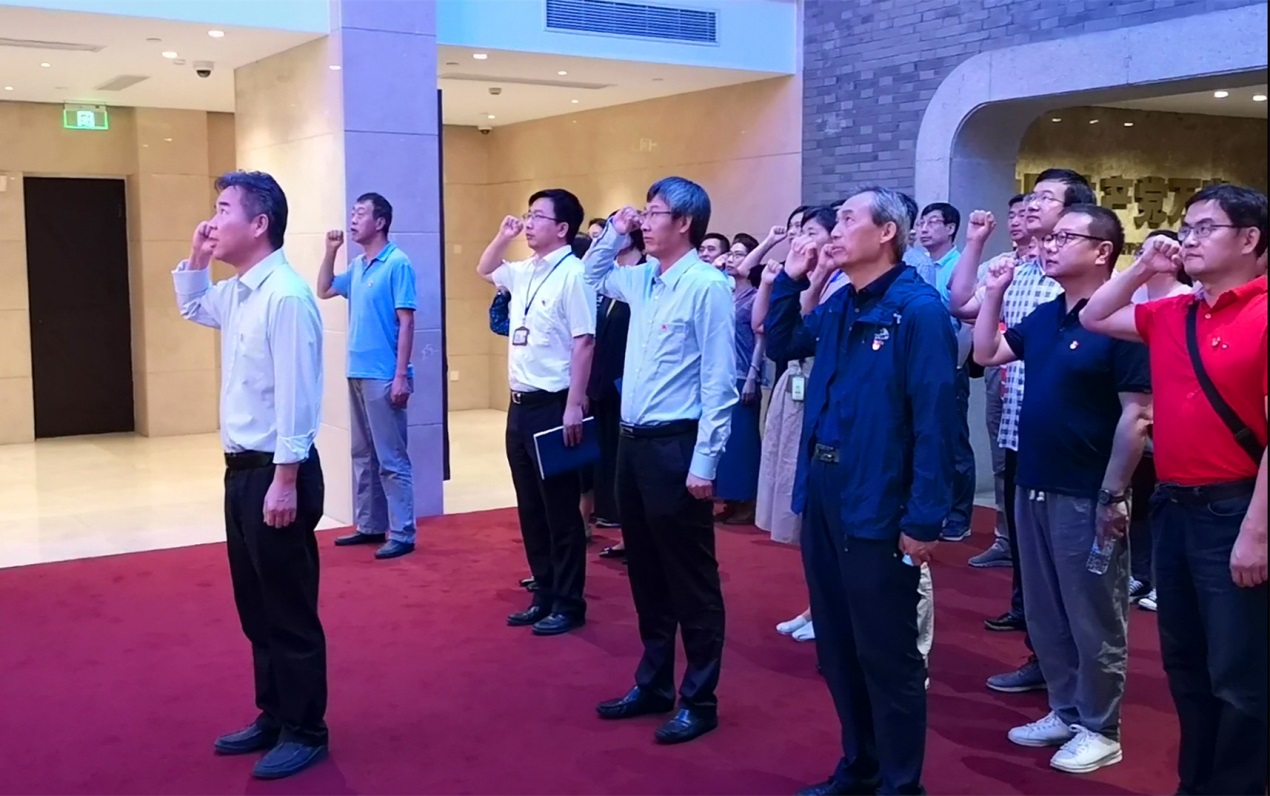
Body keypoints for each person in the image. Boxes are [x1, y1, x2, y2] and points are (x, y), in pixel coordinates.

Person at [766, 187, 956, 796]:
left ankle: (900, 783)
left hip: (879, 494)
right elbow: (783, 344)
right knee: (838, 644)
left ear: (886, 233)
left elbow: (936, 421)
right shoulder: (843, 302)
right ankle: (860, 765)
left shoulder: (918, 311)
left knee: (886, 651)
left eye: (848, 219)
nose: (834, 230)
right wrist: (793, 279)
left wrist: (924, 519)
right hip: (826, 485)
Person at [1080, 183, 1268, 796]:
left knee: (1239, 672)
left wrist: (1256, 534)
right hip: (1174, 506)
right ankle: (1197, 783)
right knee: (1185, 665)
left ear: (1250, 238)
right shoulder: (1176, 312)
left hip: (1236, 507)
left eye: (1204, 228)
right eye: (1185, 227)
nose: (1188, 238)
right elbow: (1093, 315)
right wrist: (1142, 268)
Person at [974, 204, 1151, 774]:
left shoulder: (1124, 324)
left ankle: (1101, 727)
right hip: (1034, 479)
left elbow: (1137, 417)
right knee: (1047, 610)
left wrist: (1113, 493)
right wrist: (994, 293)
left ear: (1103, 252)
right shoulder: (1048, 315)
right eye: (1048, 238)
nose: (1049, 245)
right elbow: (985, 354)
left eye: (1064, 237)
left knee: (1092, 613)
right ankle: (1066, 707)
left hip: (1087, 489)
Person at [173, 171, 328, 780]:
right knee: (256, 607)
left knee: (288, 608)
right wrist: (197, 254)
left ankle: (306, 729)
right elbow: (191, 304)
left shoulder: (285, 296)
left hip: (275, 473)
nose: (212, 222)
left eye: (223, 210)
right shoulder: (240, 291)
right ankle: (275, 712)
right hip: (242, 474)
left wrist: (285, 480)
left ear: (259, 224)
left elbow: (298, 396)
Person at [584, 177, 736, 745]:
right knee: (645, 569)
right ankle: (652, 683)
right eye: (644, 213)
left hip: (677, 445)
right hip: (633, 443)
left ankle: (700, 698)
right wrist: (613, 232)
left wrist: (705, 462)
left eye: (654, 213)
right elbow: (588, 276)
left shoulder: (707, 286)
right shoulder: (644, 278)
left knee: (690, 576)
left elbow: (719, 381)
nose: (644, 222)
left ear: (685, 224)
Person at [949, 169, 1097, 694]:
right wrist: (976, 245)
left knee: (1074, 571)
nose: (1032, 206)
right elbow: (964, 309)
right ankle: (1046, 659)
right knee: (1033, 562)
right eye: (1031, 197)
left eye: (1046, 199)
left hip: (1071, 437)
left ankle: (1087, 694)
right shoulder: (1019, 268)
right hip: (1020, 423)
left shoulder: (1087, 287)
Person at [477, 188, 596, 637]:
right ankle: (543, 592)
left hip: (555, 405)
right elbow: (484, 269)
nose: (528, 223)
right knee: (530, 507)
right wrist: (502, 236)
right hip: (520, 405)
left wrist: (574, 405)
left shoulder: (574, 274)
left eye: (537, 216)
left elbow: (584, 342)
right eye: (527, 215)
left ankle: (569, 602)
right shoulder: (525, 270)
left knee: (560, 510)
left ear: (562, 228)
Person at [751, 206, 843, 643]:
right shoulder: (806, 276)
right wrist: (792, 278)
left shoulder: (842, 282)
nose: (798, 239)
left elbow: (807, 328)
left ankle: (827, 611)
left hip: (820, 397)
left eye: (808, 231)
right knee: (803, 514)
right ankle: (816, 606)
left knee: (820, 515)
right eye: (795, 230)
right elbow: (770, 331)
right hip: (794, 386)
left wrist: (819, 274)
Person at [316, 193, 417, 560]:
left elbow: (407, 322)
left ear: (381, 222)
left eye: (361, 213)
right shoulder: (358, 266)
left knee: (391, 458)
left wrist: (401, 375)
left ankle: (403, 532)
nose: (353, 219)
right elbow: (324, 289)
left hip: (384, 374)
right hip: (357, 370)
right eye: (353, 212)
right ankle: (370, 524)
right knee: (362, 453)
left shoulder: (397, 263)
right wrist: (330, 251)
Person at [968, 194, 1033, 569]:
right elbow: (963, 305)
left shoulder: (1052, 271)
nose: (1018, 220)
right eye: (1014, 214)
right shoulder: (1000, 266)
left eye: (1026, 213)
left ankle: (1027, 543)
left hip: (1030, 371)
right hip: (1000, 366)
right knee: (1001, 458)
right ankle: (1005, 537)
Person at [593, 214, 642, 560]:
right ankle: (619, 524)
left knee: (627, 462)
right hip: (605, 382)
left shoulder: (644, 276)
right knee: (608, 457)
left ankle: (633, 534)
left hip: (628, 384)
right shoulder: (617, 279)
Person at [714, 233, 765, 525]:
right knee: (725, 441)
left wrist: (753, 376)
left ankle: (747, 501)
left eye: (739, 254)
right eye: (730, 254)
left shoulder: (757, 295)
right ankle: (731, 499)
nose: (732, 259)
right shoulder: (723, 290)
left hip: (744, 372)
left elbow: (760, 338)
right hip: (720, 373)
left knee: (743, 442)